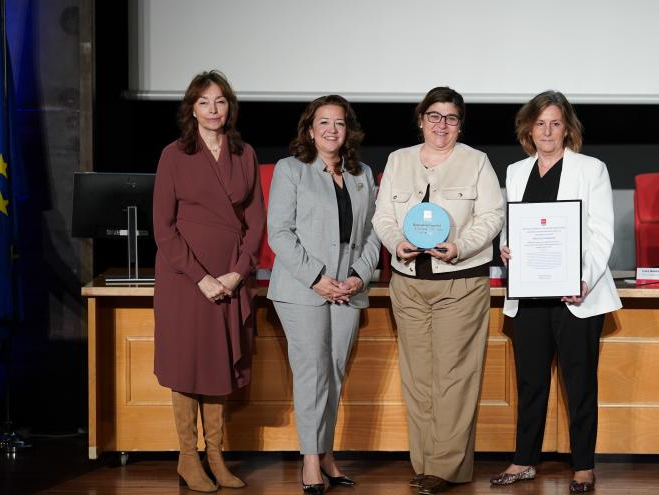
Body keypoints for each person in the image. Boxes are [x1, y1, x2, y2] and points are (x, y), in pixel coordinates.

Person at [372, 86, 504, 495]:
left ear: (459, 124)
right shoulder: (398, 160)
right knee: (419, 379)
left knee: (454, 378)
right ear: (421, 119)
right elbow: (383, 216)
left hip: (460, 282)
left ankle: (444, 468)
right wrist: (396, 242)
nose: (441, 125)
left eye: (450, 118)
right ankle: (427, 463)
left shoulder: (476, 162)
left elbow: (492, 215)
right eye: (434, 116)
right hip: (408, 283)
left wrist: (461, 245)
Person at [494, 91, 622, 493]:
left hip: (577, 296)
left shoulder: (591, 169)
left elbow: (602, 232)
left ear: (567, 128)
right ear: (529, 128)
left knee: (579, 382)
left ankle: (583, 465)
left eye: (555, 123)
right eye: (540, 123)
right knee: (530, 383)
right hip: (529, 294)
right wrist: (505, 246)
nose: (547, 131)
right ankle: (523, 460)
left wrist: (583, 278)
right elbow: (510, 225)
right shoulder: (516, 171)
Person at [153, 70, 264, 492]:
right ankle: (187, 457)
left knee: (220, 362)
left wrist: (237, 272)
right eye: (204, 102)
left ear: (229, 106)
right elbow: (163, 228)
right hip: (185, 277)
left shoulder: (245, 153)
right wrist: (201, 277)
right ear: (191, 109)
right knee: (187, 363)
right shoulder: (173, 154)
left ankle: (215, 455)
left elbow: (255, 222)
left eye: (220, 101)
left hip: (231, 275)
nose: (213, 109)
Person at [267, 95, 380, 495]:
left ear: (348, 129)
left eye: (339, 123)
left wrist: (358, 276)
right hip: (302, 289)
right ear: (310, 129)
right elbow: (279, 232)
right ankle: (310, 461)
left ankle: (327, 454)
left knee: (332, 372)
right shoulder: (291, 169)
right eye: (324, 122)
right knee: (312, 371)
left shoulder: (362, 173)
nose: (332, 129)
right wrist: (317, 278)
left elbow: (372, 232)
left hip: (347, 289)